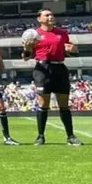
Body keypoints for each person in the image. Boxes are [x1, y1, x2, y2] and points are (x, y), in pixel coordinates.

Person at [23, 10, 82, 147]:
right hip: (42, 69)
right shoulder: (34, 34)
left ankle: (70, 136)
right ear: (39, 18)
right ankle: (41, 136)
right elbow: (26, 57)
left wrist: (73, 50)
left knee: (64, 104)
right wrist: (27, 48)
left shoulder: (62, 33)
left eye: (52, 15)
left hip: (60, 68)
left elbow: (71, 51)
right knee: (44, 103)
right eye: (47, 15)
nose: (50, 17)